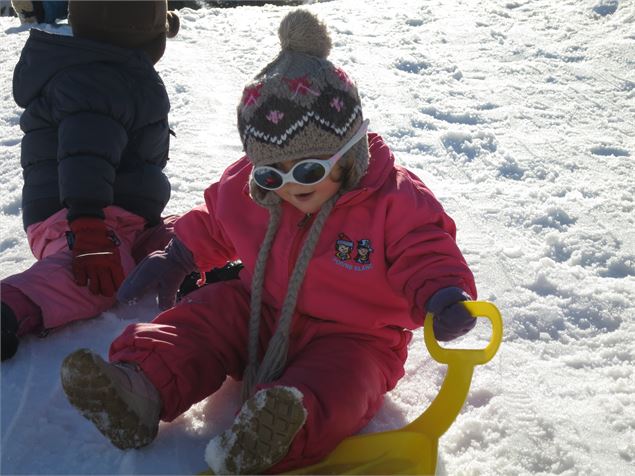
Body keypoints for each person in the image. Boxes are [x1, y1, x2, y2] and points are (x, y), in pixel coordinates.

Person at [59, 9, 478, 475]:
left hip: (358, 337)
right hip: (263, 308)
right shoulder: (257, 189)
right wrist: (178, 254)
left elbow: (425, 249)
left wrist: (442, 294)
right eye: (271, 172)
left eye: (309, 171)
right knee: (205, 315)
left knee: (343, 383)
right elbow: (218, 220)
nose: (291, 187)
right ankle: (139, 387)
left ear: (351, 152)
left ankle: (277, 431)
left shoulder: (394, 199)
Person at [0, 0, 181, 361]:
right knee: (101, 279)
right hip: (77, 216)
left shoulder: (113, 72)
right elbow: (85, 157)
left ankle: (193, 265)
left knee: (187, 236)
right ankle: (11, 305)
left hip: (120, 216)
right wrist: (87, 229)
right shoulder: (99, 81)